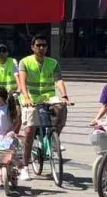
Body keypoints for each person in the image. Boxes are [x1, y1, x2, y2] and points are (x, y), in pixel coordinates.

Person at [17, 34, 72, 181]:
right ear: (33, 47)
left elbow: (58, 80)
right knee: (29, 130)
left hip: (48, 97)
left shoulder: (52, 62)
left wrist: (65, 96)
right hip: (31, 99)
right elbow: (22, 82)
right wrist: (27, 97)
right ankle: (24, 167)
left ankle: (54, 137)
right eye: (38, 45)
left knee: (62, 108)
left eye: (44, 45)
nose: (42, 48)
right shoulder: (25, 62)